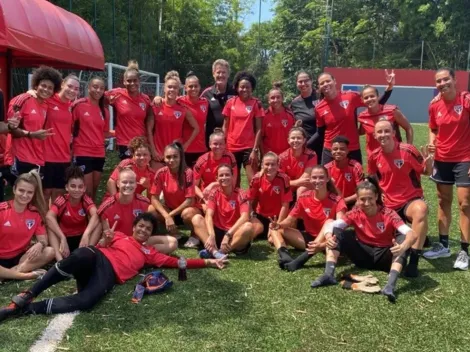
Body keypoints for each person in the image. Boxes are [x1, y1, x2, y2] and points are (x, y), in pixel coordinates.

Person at [0, 212, 228, 321]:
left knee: (87, 301)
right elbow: (99, 245)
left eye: (148, 229)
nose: (142, 231)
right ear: (135, 226)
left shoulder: (151, 253)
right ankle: (28, 293)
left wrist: (209, 261)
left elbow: (181, 262)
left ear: (151, 234)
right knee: (80, 256)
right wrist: (105, 241)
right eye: (140, 226)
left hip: (109, 274)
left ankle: (25, 309)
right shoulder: (118, 235)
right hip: (96, 256)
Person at [310, 178, 417, 303]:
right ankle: (329, 274)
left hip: (384, 258)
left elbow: (412, 234)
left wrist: (403, 246)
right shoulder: (355, 213)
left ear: (376, 197)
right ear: (357, 199)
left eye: (370, 198)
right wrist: (328, 237)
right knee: (338, 232)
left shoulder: (389, 213)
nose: (366, 203)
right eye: (362, 199)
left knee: (403, 240)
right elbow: (331, 225)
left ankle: (390, 286)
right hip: (363, 256)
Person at [368, 120, 433, 277]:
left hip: (410, 200)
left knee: (421, 210)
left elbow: (425, 171)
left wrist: (430, 164)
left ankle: (414, 261)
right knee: (385, 243)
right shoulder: (374, 156)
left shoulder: (408, 150)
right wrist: (379, 191)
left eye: (386, 131)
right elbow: (372, 176)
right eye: (379, 132)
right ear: (375, 135)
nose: (383, 135)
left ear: (393, 132)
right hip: (389, 205)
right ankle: (419, 237)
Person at [424, 68, 470, 269]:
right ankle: (443, 245)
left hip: (465, 158)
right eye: (438, 81)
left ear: (454, 79)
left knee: (465, 204)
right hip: (442, 159)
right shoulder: (434, 105)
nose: (442, 83)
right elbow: (433, 127)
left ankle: (464, 251)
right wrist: (432, 143)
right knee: (443, 201)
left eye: (445, 79)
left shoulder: (466, 100)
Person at [269, 165, 347, 271]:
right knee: (274, 229)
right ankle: (285, 257)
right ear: (310, 179)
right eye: (314, 177)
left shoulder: (337, 200)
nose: (317, 180)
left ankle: (304, 257)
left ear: (327, 179)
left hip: (328, 241)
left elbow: (340, 228)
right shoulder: (303, 197)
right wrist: (279, 225)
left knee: (330, 222)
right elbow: (290, 219)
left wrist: (322, 245)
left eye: (321, 177)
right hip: (308, 239)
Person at [314, 70, 394, 165]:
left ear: (334, 81)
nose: (325, 84)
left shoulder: (350, 96)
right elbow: (320, 133)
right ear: (319, 87)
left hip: (352, 148)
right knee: (327, 179)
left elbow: (374, 103)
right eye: (322, 83)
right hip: (331, 149)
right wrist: (305, 145)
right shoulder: (319, 108)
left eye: (328, 81)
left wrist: (389, 88)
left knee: (357, 178)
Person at [98, 168, 177, 254]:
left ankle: (139, 253)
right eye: (124, 182)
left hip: (138, 240)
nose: (128, 185)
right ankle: (142, 254)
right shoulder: (107, 205)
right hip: (119, 243)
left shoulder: (144, 202)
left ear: (136, 184)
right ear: (117, 184)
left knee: (173, 242)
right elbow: (104, 235)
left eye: (131, 182)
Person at [4, 66, 61, 178]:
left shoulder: (45, 105)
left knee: (35, 194)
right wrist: (31, 134)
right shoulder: (22, 100)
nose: (46, 89)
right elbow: (11, 129)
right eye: (43, 85)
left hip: (37, 158)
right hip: (20, 157)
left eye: (50, 88)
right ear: (36, 85)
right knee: (21, 194)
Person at [0, 170, 54, 280]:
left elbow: (43, 240)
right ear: (14, 189)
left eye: (29, 192)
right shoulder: (2, 210)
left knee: (50, 251)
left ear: (34, 194)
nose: (25, 195)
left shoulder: (35, 213)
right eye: (21, 190)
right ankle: (26, 275)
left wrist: (40, 244)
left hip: (21, 258)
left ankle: (7, 274)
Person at [148, 142, 201, 248]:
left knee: (188, 212)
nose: (171, 160)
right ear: (164, 158)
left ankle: (195, 236)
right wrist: (166, 215)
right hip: (170, 210)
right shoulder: (161, 173)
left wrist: (169, 216)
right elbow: (154, 198)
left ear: (181, 157)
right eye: (168, 157)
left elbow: (189, 200)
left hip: (186, 210)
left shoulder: (188, 173)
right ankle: (175, 233)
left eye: (175, 156)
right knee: (151, 209)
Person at [147, 71, 199, 169]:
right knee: (156, 183)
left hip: (175, 156)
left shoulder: (183, 109)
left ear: (178, 90)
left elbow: (196, 128)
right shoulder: (155, 106)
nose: (172, 89)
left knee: (175, 184)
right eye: (169, 87)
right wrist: (153, 150)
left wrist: (185, 146)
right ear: (164, 88)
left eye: (175, 87)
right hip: (158, 155)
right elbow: (149, 130)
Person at [72, 77, 114, 200]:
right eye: (95, 87)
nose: (98, 90)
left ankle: (90, 213)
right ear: (89, 87)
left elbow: (104, 132)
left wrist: (118, 133)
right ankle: (82, 215)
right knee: (86, 189)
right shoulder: (79, 105)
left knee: (95, 188)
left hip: (99, 153)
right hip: (82, 151)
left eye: (101, 88)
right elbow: (69, 127)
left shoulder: (105, 111)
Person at [46, 166, 100, 261]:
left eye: (80, 187)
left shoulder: (85, 200)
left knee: (98, 224)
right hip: (64, 239)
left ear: (84, 188)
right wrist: (62, 238)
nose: (76, 190)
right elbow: (49, 216)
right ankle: (59, 260)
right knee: (50, 226)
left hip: (81, 238)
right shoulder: (62, 200)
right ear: (67, 187)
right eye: (73, 186)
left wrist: (86, 234)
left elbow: (96, 214)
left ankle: (87, 252)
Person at [41, 74, 80, 204]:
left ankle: (53, 223)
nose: (72, 90)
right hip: (46, 156)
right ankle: (41, 223)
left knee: (59, 195)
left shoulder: (73, 107)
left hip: (64, 157)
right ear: (62, 84)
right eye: (70, 86)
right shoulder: (48, 100)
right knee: (45, 194)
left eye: (76, 89)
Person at [222, 71, 265, 185]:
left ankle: (253, 203)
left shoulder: (256, 104)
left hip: (249, 148)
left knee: (253, 181)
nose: (244, 89)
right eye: (242, 87)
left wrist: (255, 150)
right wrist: (224, 145)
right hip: (231, 147)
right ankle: (236, 203)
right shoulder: (230, 103)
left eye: (247, 87)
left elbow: (259, 129)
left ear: (252, 88)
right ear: (237, 87)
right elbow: (225, 126)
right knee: (234, 181)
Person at [105, 60, 153, 160]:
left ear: (139, 81)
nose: (132, 83)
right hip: (125, 143)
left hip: (142, 142)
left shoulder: (146, 99)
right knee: (128, 172)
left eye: (135, 80)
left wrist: (159, 99)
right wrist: (106, 102)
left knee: (141, 172)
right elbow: (98, 99)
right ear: (124, 81)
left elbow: (151, 119)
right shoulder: (117, 94)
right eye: (129, 80)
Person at [203, 164, 254, 255]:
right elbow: (209, 215)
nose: (224, 177)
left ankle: (220, 252)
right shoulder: (214, 193)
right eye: (221, 175)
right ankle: (213, 249)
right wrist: (211, 235)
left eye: (227, 174)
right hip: (218, 232)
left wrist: (228, 235)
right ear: (216, 178)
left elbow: (245, 217)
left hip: (234, 234)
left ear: (233, 176)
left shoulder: (241, 193)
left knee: (248, 227)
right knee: (197, 219)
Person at [358, 84, 413, 164]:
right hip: (374, 158)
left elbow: (408, 128)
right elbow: (361, 132)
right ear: (362, 100)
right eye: (366, 97)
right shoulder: (362, 117)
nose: (369, 99)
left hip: (394, 155)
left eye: (372, 96)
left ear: (378, 96)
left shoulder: (392, 111)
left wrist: (408, 148)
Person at [249, 152, 292, 242]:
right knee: (251, 233)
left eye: (273, 164)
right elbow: (250, 200)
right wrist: (252, 216)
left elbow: (285, 204)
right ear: (262, 165)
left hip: (277, 217)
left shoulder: (284, 179)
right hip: (261, 216)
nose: (270, 167)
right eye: (267, 164)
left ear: (278, 166)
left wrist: (278, 224)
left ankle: (272, 233)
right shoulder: (256, 179)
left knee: (272, 240)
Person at [201, 59, 237, 148]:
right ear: (213, 74)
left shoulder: (235, 92)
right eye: (218, 72)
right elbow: (192, 105)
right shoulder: (206, 94)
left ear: (228, 74)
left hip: (232, 140)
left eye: (224, 72)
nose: (221, 75)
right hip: (212, 141)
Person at [324, 136, 364, 209]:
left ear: (348, 151)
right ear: (331, 151)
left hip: (352, 202)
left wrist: (344, 201)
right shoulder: (326, 169)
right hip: (334, 202)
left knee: (359, 203)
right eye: (335, 149)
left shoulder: (356, 167)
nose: (338, 151)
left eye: (342, 149)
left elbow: (361, 191)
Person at [290, 71, 323, 158]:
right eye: (300, 81)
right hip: (306, 147)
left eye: (306, 80)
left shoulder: (321, 96)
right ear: (296, 83)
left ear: (311, 81)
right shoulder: (295, 103)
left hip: (324, 144)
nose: (303, 83)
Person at [179, 72, 209, 166]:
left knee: (198, 179)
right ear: (185, 88)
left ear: (199, 87)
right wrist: (158, 98)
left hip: (201, 148)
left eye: (196, 86)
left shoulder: (205, 103)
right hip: (185, 148)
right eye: (190, 86)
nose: (193, 89)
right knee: (184, 178)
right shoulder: (179, 101)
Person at [279, 127, 317, 198]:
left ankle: (299, 208)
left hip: (303, 186)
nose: (295, 140)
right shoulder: (282, 157)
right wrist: (295, 183)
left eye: (299, 138)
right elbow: (281, 181)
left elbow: (306, 178)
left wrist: (293, 184)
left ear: (304, 140)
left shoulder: (311, 155)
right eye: (293, 138)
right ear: (288, 140)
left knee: (301, 189)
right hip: (289, 186)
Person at [261, 83, 295, 155]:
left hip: (287, 155)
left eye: (278, 97)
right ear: (268, 100)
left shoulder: (290, 115)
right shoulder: (264, 116)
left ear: (282, 99)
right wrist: (263, 154)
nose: (275, 100)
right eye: (272, 98)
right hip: (270, 156)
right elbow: (260, 138)